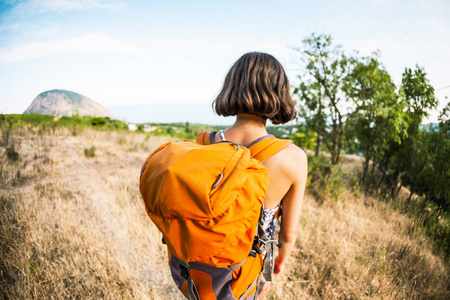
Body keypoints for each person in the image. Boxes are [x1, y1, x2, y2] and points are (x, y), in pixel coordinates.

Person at [209, 52, 308, 298]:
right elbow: (288, 234)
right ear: (279, 93)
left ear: (232, 87)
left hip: (199, 264)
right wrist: (275, 266)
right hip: (246, 273)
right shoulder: (293, 158)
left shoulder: (204, 144)